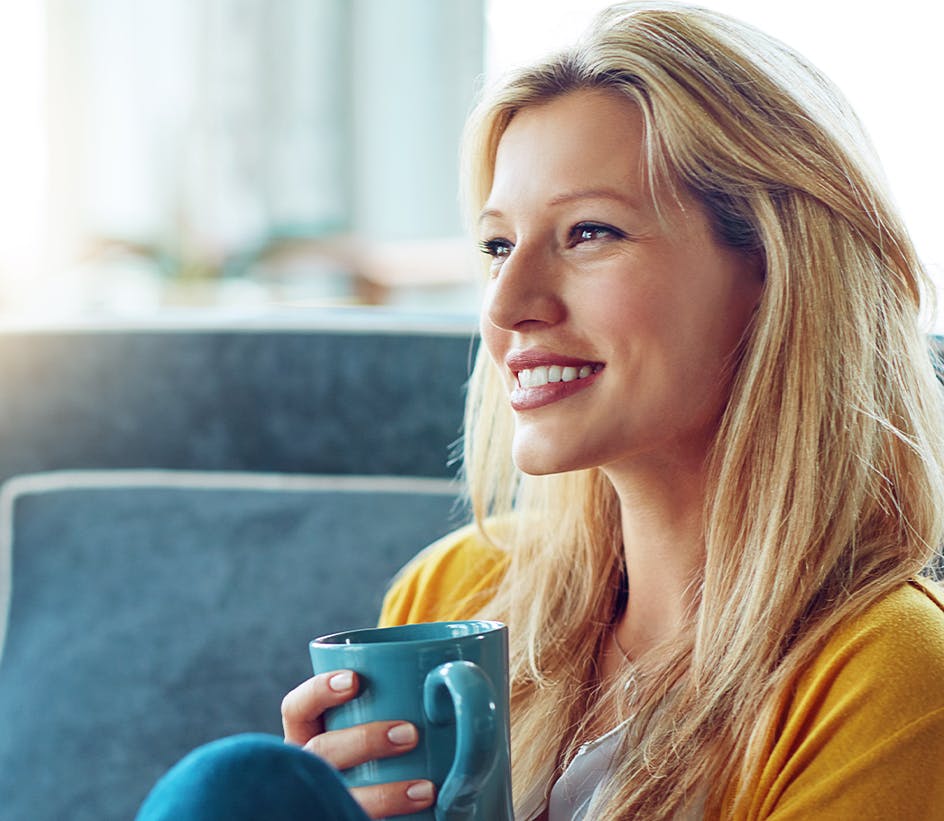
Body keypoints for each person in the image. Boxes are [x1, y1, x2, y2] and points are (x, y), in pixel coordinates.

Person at [137, 3, 944, 819]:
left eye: (589, 232)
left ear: (777, 269)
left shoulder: (894, 677)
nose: (509, 303)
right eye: (496, 246)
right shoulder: (456, 592)